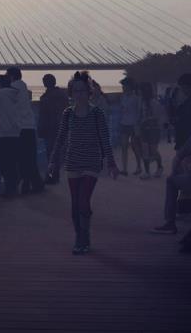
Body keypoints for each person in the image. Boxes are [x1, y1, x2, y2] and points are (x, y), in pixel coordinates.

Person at [49, 71, 119, 254]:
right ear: (71, 93)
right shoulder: (68, 114)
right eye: (75, 91)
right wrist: (53, 161)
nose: (79, 94)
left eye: (82, 91)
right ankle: (79, 236)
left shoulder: (97, 113)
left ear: (90, 93)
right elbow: (61, 138)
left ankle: (83, 238)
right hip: (72, 161)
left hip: (91, 162)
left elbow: (105, 139)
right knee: (74, 203)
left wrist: (111, 163)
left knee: (83, 200)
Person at [0, 74, 25, 197]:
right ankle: (12, 186)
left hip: (2, 133)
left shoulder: (0, 94)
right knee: (11, 161)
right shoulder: (16, 94)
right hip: (16, 132)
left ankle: (12, 185)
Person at [6, 67, 46, 193]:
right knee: (30, 157)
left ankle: (24, 185)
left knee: (21, 158)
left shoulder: (13, 87)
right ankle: (35, 184)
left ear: (11, 76)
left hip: (20, 128)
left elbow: (4, 98)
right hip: (30, 126)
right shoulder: (23, 86)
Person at [37, 74, 68, 185]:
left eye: (44, 81)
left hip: (50, 127)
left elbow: (44, 114)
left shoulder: (46, 97)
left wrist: (40, 128)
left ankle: (51, 176)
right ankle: (55, 175)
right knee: (56, 152)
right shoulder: (62, 95)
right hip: (61, 125)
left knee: (50, 152)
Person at [118, 77, 145, 176]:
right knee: (124, 146)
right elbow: (122, 109)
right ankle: (124, 169)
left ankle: (139, 167)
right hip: (124, 123)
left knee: (135, 147)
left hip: (133, 125)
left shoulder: (136, 98)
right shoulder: (123, 97)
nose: (123, 88)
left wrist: (138, 124)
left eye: (124, 86)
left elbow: (139, 111)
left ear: (129, 86)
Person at [138, 83, 166, 178]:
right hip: (144, 129)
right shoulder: (141, 102)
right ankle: (147, 172)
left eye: (141, 91)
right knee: (145, 150)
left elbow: (159, 117)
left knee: (153, 151)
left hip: (154, 129)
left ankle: (159, 167)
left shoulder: (154, 103)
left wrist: (149, 119)